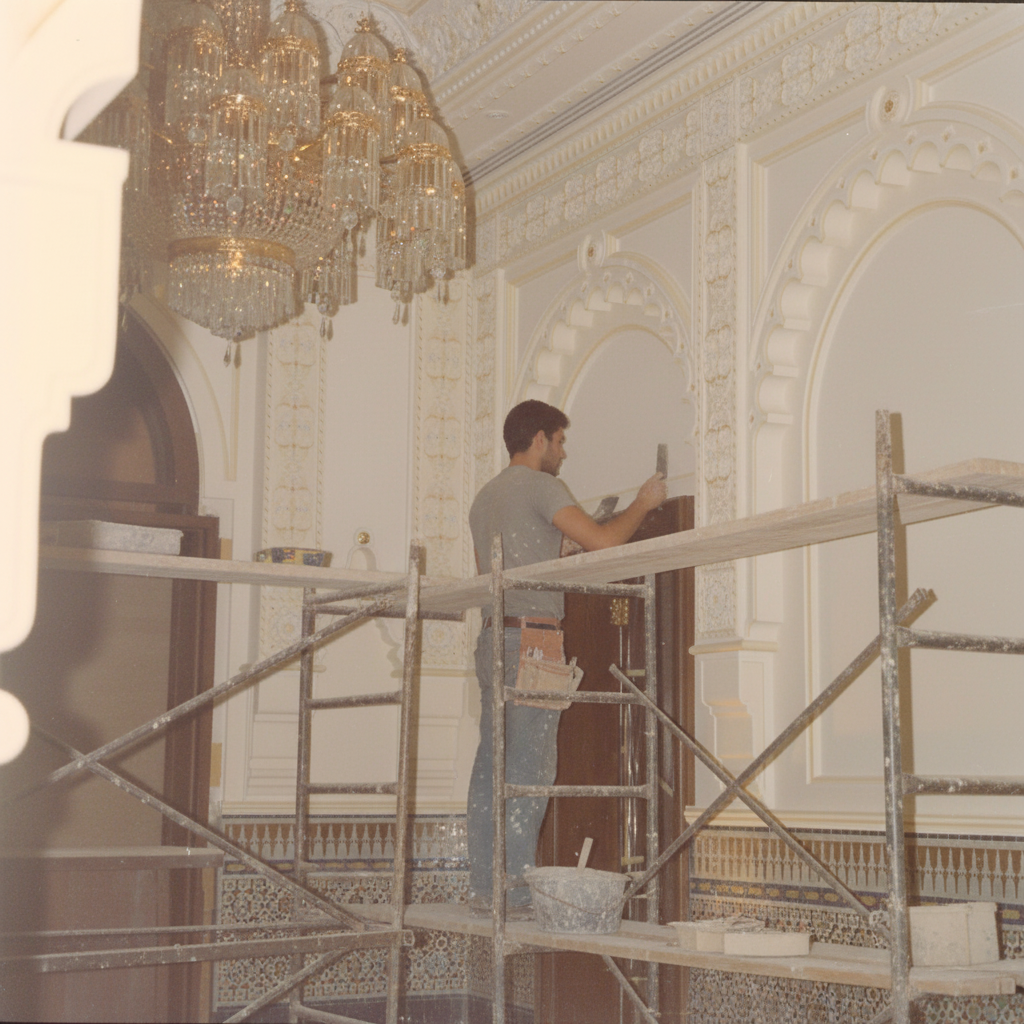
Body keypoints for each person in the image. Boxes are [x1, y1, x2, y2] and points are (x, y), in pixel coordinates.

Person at [466, 399, 667, 912]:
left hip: (493, 636)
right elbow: (603, 542)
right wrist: (643, 503)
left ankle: (486, 888)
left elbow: (524, 563)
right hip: (533, 639)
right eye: (559, 441)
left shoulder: (485, 498)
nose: (563, 452)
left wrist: (562, 553)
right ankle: (514, 895)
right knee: (529, 769)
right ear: (538, 439)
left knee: (492, 766)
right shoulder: (541, 485)